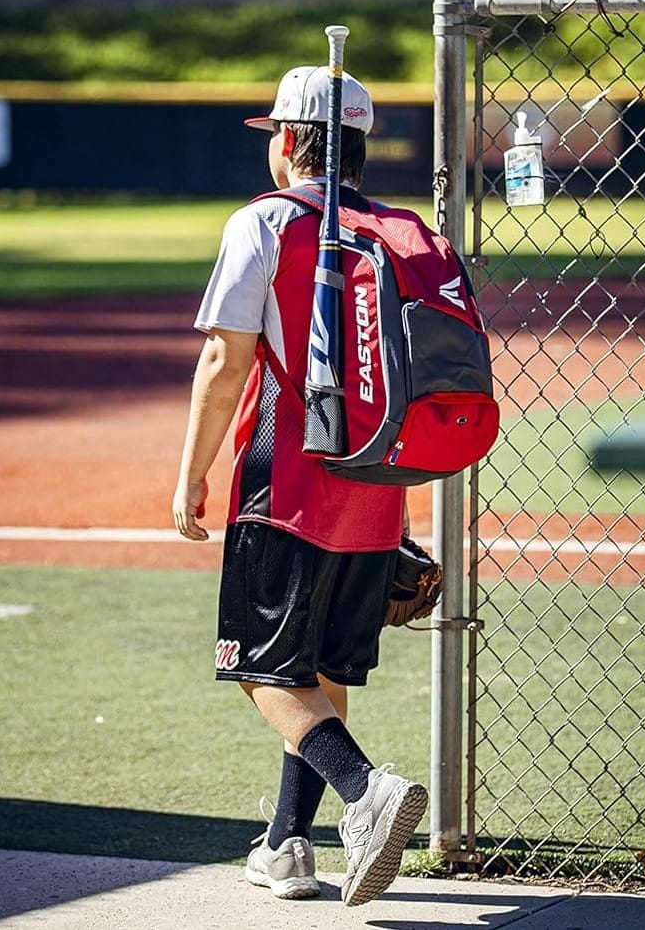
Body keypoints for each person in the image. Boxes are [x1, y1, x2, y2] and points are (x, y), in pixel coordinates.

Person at [171, 63, 428, 908]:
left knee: (261, 668)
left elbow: (224, 359)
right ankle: (287, 846)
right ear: (357, 147)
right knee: (319, 667)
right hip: (377, 485)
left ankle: (365, 794)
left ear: (287, 141)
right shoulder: (393, 226)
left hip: (282, 480)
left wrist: (189, 474)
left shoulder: (266, 222)